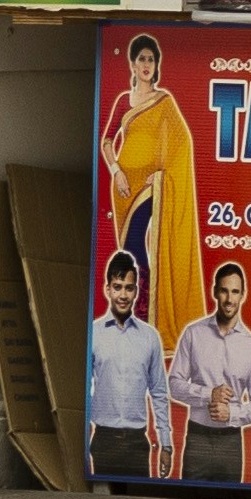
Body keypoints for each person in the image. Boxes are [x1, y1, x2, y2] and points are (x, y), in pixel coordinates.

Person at [101, 32, 204, 355]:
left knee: (138, 245)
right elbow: (106, 142)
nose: (147, 64)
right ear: (132, 64)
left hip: (151, 185)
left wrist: (161, 175)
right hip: (124, 187)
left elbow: (182, 142)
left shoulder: (165, 101)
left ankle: (147, 316)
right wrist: (116, 170)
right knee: (128, 249)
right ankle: (131, 315)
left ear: (156, 65)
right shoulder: (123, 101)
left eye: (151, 59)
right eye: (141, 58)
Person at [166, 259, 251, 484]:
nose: (229, 299)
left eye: (235, 292)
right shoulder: (193, 334)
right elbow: (174, 384)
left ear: (243, 295)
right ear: (215, 292)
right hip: (198, 438)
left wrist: (232, 414)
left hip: (231, 443)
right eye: (224, 291)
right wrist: (208, 394)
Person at [81, 253, 165, 480]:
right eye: (117, 287)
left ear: (136, 291)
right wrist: (81, 439)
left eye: (129, 288)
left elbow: (159, 392)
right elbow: (82, 389)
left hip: (138, 441)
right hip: (103, 440)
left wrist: (165, 443)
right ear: (107, 288)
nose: (123, 295)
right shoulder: (93, 333)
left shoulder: (149, 337)